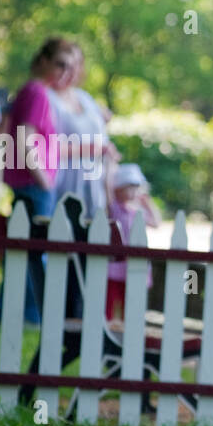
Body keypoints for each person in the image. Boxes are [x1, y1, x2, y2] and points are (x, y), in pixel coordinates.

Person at [0, 37, 71, 324]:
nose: (65, 72)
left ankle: (7, 313)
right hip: (33, 185)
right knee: (33, 254)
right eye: (60, 64)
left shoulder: (33, 91)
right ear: (43, 60)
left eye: (69, 67)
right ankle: (27, 315)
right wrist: (43, 180)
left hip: (28, 183)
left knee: (22, 250)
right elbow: (24, 139)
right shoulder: (36, 92)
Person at [49, 41, 117, 218]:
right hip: (64, 185)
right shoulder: (47, 99)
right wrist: (93, 149)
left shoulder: (85, 98)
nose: (72, 70)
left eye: (77, 64)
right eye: (64, 65)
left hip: (95, 187)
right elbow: (44, 147)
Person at [105, 164, 162, 321]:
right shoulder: (114, 208)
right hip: (116, 266)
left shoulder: (139, 212)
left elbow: (156, 223)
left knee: (130, 305)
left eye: (136, 188)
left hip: (134, 266)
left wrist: (147, 203)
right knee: (109, 303)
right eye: (128, 187)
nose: (133, 192)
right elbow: (107, 190)